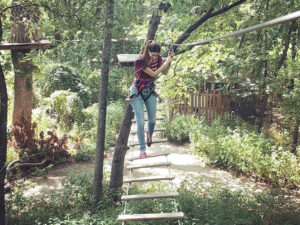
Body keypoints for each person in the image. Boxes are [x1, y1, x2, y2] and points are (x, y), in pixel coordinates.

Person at [129, 40, 175, 158]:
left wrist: (169, 61)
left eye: (157, 55)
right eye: (152, 55)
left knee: (152, 121)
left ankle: (149, 135)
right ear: (148, 51)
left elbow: (164, 72)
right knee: (140, 122)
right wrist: (167, 61)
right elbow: (154, 74)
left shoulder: (158, 59)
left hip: (149, 91)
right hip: (137, 91)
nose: (155, 57)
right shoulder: (139, 61)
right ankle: (142, 150)